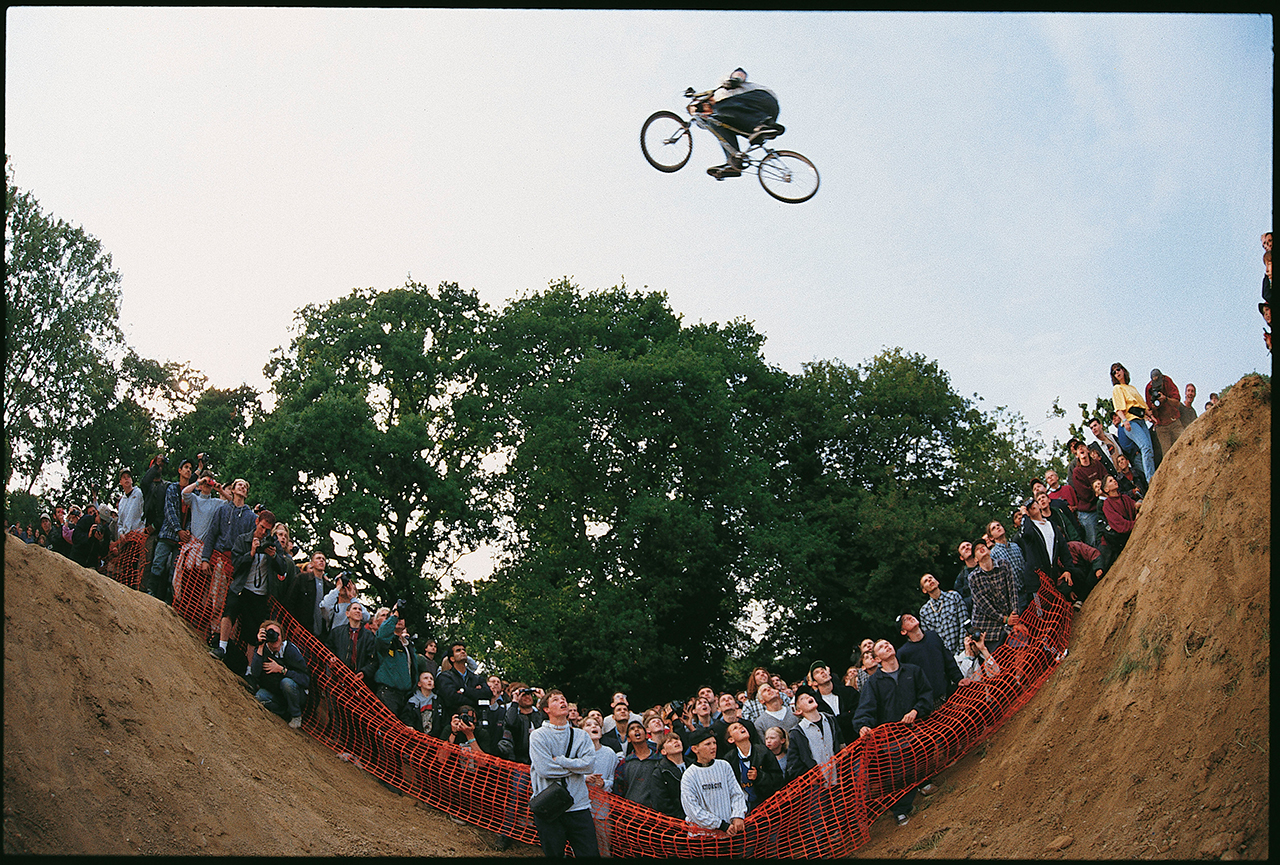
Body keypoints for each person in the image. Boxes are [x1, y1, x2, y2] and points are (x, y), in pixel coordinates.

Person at [852, 639, 934, 826]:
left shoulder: (913, 671)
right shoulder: (873, 683)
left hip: (917, 733)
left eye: (888, 643)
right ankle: (901, 811)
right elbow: (865, 710)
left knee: (921, 762)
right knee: (896, 776)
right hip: (892, 743)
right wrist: (863, 726)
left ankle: (925, 783)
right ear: (876, 658)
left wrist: (916, 711)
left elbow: (926, 695)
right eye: (881, 647)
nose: (887, 646)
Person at [209, 509, 291, 668]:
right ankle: (222, 647)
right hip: (241, 587)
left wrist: (273, 555)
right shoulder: (243, 540)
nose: (263, 532)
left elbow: (282, 568)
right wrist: (251, 552)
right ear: (256, 522)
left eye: (267, 530)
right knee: (229, 612)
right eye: (261, 527)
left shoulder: (273, 545)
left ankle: (248, 670)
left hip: (259, 594)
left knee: (252, 631)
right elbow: (236, 565)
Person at [528, 690, 601, 857]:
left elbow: (589, 766)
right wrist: (576, 767)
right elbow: (545, 769)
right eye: (555, 700)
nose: (562, 702)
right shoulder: (538, 736)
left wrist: (561, 760)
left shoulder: (581, 735)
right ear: (546, 709)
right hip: (549, 808)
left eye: (564, 699)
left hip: (579, 807)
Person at [699, 67, 780, 180]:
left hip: (762, 100)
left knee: (721, 107)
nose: (706, 112)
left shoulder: (720, 91)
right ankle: (733, 163)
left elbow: (740, 72)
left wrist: (736, 79)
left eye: (705, 108)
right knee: (716, 124)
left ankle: (763, 124)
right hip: (750, 116)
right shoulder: (725, 113)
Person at [680, 727, 746, 835]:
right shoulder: (689, 775)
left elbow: (736, 794)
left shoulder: (724, 766)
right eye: (707, 744)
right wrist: (720, 825)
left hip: (729, 833)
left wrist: (738, 815)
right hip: (703, 838)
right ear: (695, 749)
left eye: (714, 743)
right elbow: (693, 810)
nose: (713, 747)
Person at [247, 618, 310, 728]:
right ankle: (285, 713)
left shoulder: (290, 650)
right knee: (260, 696)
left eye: (277, 634)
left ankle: (296, 715)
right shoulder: (263, 649)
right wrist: (260, 646)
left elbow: (305, 680)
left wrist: (282, 670)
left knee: (286, 683)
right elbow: (255, 673)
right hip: (275, 692)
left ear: (282, 637)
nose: (275, 638)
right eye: (270, 634)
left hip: (295, 692)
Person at [966, 539, 1019, 652]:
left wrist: (1014, 616)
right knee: (1000, 659)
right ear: (975, 559)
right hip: (988, 626)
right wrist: (1005, 619)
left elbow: (1013, 591)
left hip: (1009, 617)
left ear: (989, 550)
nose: (981, 548)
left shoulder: (1004, 564)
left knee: (1021, 647)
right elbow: (984, 606)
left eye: (983, 546)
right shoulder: (973, 578)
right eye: (977, 549)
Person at [1110, 362, 1158, 483]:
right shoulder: (1117, 388)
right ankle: (1150, 479)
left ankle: (1152, 474)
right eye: (1114, 372)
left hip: (1141, 419)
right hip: (1130, 420)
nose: (1117, 373)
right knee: (1145, 447)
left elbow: (1142, 405)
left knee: (1150, 449)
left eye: (1118, 369)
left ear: (1123, 370)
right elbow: (1119, 408)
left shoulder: (1132, 388)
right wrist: (1124, 420)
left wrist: (1150, 416)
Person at [724, 720, 782, 813]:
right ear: (731, 739)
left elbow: (777, 780)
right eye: (735, 728)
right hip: (743, 809)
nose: (741, 727)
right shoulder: (728, 759)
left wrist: (759, 777)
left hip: (766, 807)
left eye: (741, 726)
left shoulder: (763, 752)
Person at [1067, 439, 1107, 548]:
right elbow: (1084, 493)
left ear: (1087, 450)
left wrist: (1104, 491)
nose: (1080, 448)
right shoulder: (1077, 472)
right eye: (1078, 448)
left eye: (1082, 446)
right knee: (1094, 539)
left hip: (1103, 501)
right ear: (1077, 454)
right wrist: (1099, 492)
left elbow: (1106, 478)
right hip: (1088, 511)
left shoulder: (1097, 464)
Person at [286, 550, 332, 638]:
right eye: (318, 558)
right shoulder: (301, 579)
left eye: (323, 559)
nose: (321, 560)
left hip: (322, 635)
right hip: (302, 630)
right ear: (312, 563)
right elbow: (290, 601)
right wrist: (294, 625)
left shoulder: (329, 586)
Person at [918, 572, 966, 655]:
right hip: (944, 656)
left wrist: (962, 649)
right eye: (926, 581)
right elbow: (930, 639)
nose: (929, 580)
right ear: (924, 590)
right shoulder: (924, 611)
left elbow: (964, 622)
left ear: (937, 581)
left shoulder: (953, 597)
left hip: (963, 650)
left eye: (931, 578)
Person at [616, 720, 661, 806]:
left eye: (639, 727)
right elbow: (619, 791)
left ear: (647, 735)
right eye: (632, 729)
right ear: (628, 738)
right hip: (632, 813)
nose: (636, 730)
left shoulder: (660, 759)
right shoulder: (625, 763)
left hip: (656, 813)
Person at [1146, 368, 1186, 460]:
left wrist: (1166, 399)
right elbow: (1150, 412)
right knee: (1168, 455)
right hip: (1161, 426)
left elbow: (1177, 403)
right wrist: (1155, 407)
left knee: (1185, 443)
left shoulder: (1167, 381)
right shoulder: (1149, 388)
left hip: (1174, 421)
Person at [650, 731, 687, 819]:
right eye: (669, 741)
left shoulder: (693, 765)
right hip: (678, 823)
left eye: (677, 739)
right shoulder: (660, 772)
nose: (675, 741)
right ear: (663, 751)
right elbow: (662, 804)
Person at [406, 671, 440, 736]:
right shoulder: (412, 701)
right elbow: (407, 718)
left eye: (431, 679)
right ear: (419, 683)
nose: (429, 680)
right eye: (425, 678)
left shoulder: (438, 700)